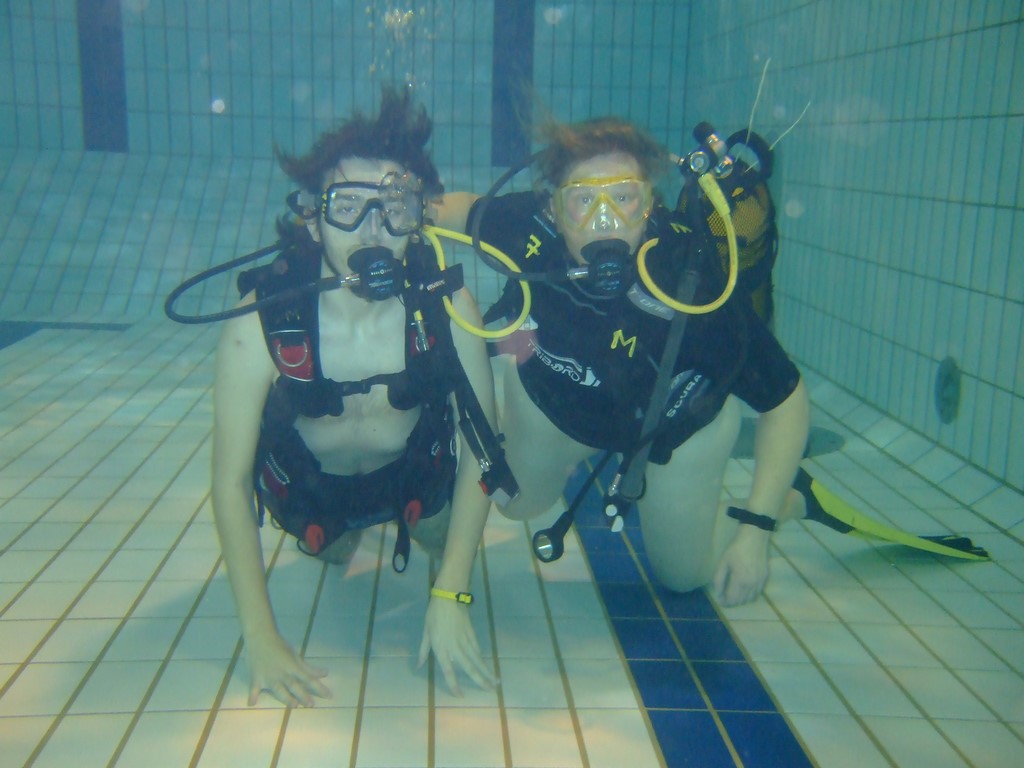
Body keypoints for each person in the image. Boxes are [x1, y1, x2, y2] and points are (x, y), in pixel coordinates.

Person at [431, 116, 811, 607]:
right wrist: (398, 211)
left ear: (649, 204)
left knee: (685, 576)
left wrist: (757, 529)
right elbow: (461, 211)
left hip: (672, 429)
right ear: (554, 209)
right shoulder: (529, 229)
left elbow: (785, 400)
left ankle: (791, 499)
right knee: (512, 502)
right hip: (554, 408)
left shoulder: (690, 279)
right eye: (584, 200)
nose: (604, 220)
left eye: (624, 197)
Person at [212, 89, 498, 707]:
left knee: (444, 533)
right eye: (347, 206)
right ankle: (343, 538)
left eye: (393, 206)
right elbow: (230, 482)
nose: (373, 228)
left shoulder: (447, 307)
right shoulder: (263, 319)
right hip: (314, 494)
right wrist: (260, 636)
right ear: (313, 221)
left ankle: (415, 541)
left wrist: (451, 592)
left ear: (417, 218)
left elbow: (483, 451)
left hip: (413, 481)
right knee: (331, 549)